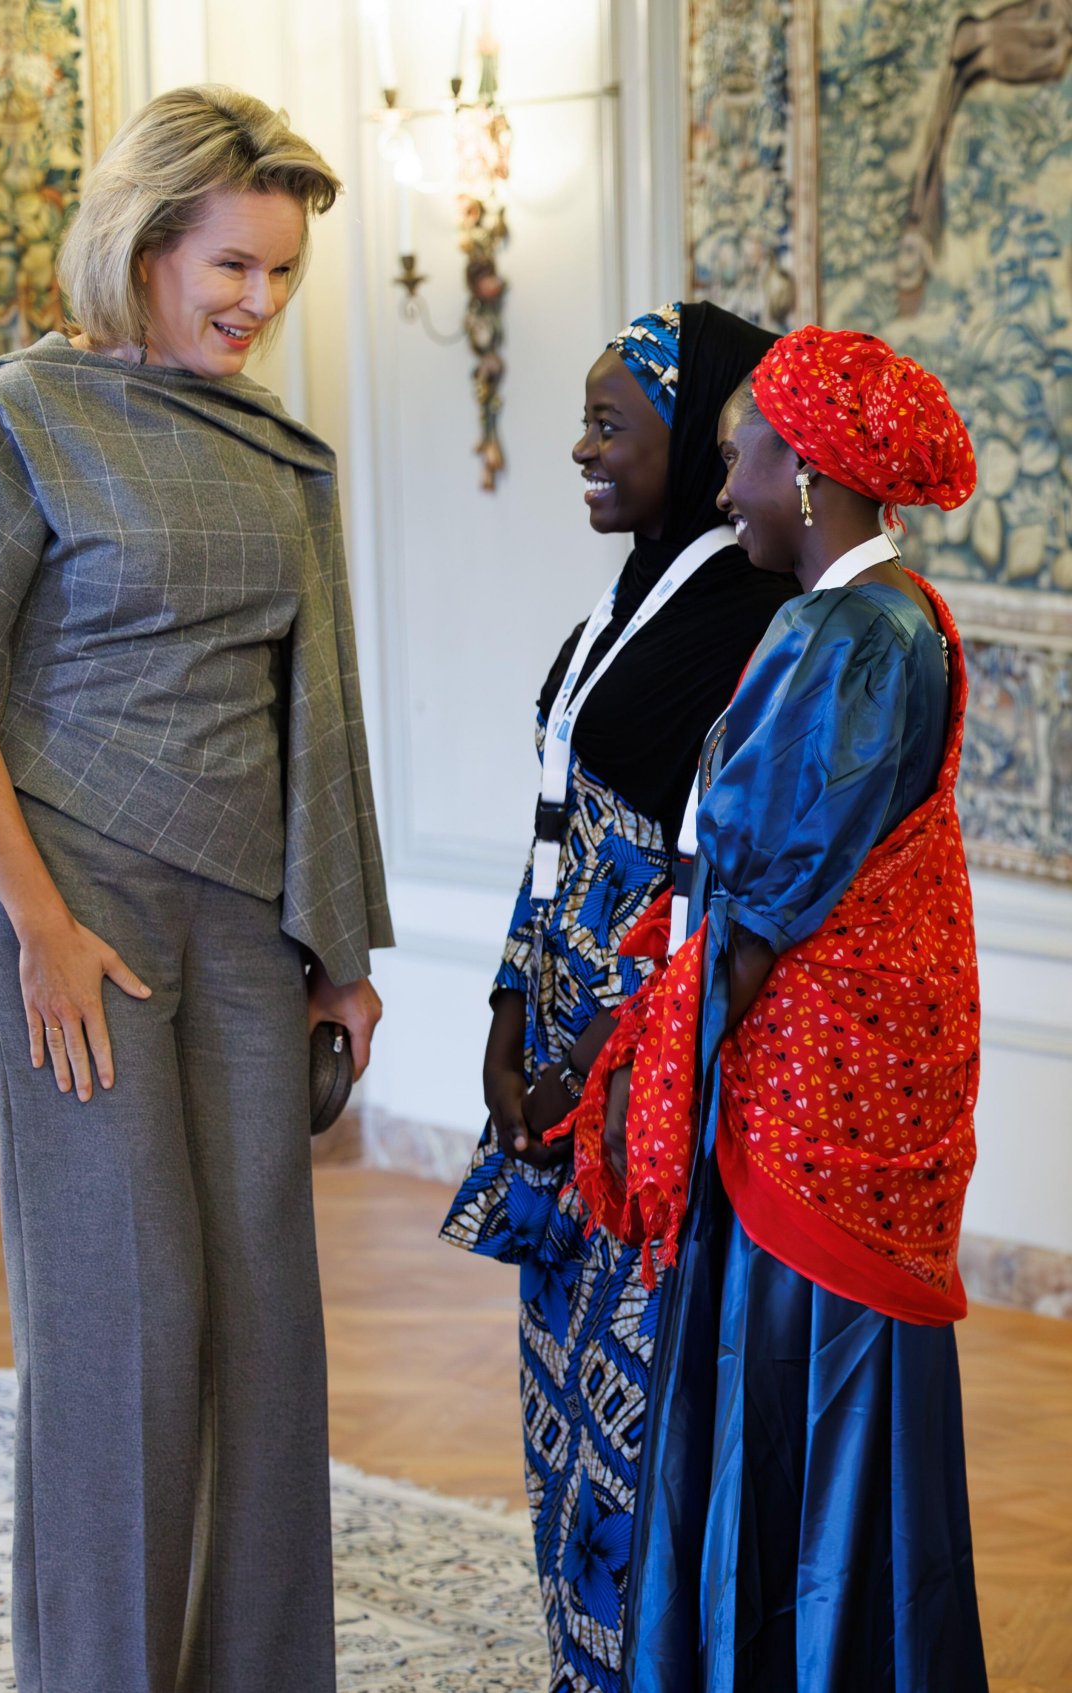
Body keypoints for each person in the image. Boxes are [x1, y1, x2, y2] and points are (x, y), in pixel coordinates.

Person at [0, 86, 392, 1693]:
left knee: (261, 1320)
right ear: (145, 245)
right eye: (232, 264)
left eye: (282, 272)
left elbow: (320, 704)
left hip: (246, 921)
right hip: (71, 904)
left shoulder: (280, 453)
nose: (259, 301)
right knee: (130, 1318)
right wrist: (38, 927)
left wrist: (338, 950)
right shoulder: (21, 415)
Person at [561, 326, 988, 1692]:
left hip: (809, 1101)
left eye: (742, 454)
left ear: (806, 473)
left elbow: (760, 902)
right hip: (831, 1080)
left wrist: (645, 1061)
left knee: (791, 1391)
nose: (726, 484)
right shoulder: (895, 614)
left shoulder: (847, 635)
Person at [441, 303, 796, 1693]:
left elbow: (723, 898)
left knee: (645, 1414)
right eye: (584, 421)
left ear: (700, 440)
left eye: (610, 425)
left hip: (646, 1079)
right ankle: (580, 1665)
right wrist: (504, 1022)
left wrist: (590, 1055)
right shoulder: (623, 610)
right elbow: (553, 841)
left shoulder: (757, 631)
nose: (582, 449)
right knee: (562, 1403)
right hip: (553, 1060)